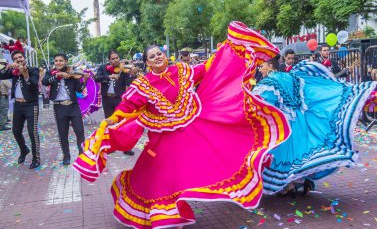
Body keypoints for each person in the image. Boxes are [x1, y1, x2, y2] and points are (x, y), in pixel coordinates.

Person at [73, 21, 291, 229]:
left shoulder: (181, 71)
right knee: (157, 175)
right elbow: (129, 105)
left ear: (164, 56)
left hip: (190, 131)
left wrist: (226, 51)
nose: (157, 57)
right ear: (147, 63)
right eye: (152, 56)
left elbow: (207, 68)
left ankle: (178, 209)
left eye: (159, 53)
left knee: (204, 162)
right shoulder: (143, 84)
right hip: (163, 139)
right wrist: (114, 118)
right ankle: (164, 213)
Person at [252, 56, 376, 197]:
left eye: (261, 66)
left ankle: (290, 185)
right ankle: (300, 182)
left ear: (270, 66)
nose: (259, 69)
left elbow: (260, 104)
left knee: (286, 158)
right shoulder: (288, 76)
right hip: (300, 124)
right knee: (301, 155)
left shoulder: (269, 82)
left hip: (285, 127)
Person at [42, 53, 90, 165]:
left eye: (61, 61)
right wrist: (58, 75)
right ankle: (66, 156)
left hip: (73, 106)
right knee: (63, 133)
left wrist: (85, 80)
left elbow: (79, 90)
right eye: (56, 60)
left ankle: (81, 154)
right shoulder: (51, 73)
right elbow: (45, 82)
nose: (58, 63)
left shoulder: (72, 73)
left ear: (66, 62)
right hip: (59, 107)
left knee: (79, 131)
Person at [0, 51, 41, 169]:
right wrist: (8, 66)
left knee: (32, 132)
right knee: (16, 131)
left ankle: (36, 158)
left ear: (24, 58)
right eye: (16, 58)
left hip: (31, 105)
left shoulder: (33, 69)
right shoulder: (13, 72)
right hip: (18, 105)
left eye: (20, 57)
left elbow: (33, 85)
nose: (18, 59)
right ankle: (24, 150)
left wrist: (25, 74)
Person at [94, 50, 134, 155]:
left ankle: (126, 147)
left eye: (117, 58)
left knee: (122, 123)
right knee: (109, 122)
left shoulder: (123, 69)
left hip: (118, 98)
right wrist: (109, 76)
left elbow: (128, 83)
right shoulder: (103, 68)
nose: (116, 60)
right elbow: (96, 78)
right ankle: (111, 146)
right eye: (113, 58)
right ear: (109, 60)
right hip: (107, 99)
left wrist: (132, 74)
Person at [0, 59, 12, 131]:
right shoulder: (3, 76)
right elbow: (10, 86)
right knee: (4, 110)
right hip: (3, 95)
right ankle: (2, 124)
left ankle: (3, 122)